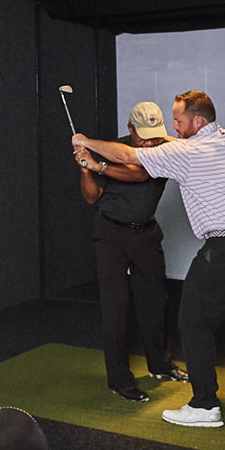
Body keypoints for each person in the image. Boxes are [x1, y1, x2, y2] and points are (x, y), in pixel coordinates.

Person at [72, 89, 225, 428]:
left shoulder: (186, 152)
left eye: (178, 121)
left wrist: (85, 142)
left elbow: (128, 156)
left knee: (193, 321)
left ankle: (204, 406)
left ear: (198, 121)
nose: (173, 127)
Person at [78, 101, 187, 402]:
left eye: (155, 136)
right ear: (130, 129)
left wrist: (96, 164)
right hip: (111, 234)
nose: (150, 143)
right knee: (115, 309)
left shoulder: (165, 149)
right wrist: (85, 168)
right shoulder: (110, 149)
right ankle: (119, 380)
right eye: (143, 137)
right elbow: (91, 198)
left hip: (146, 233)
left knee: (156, 303)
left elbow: (140, 174)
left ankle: (160, 366)